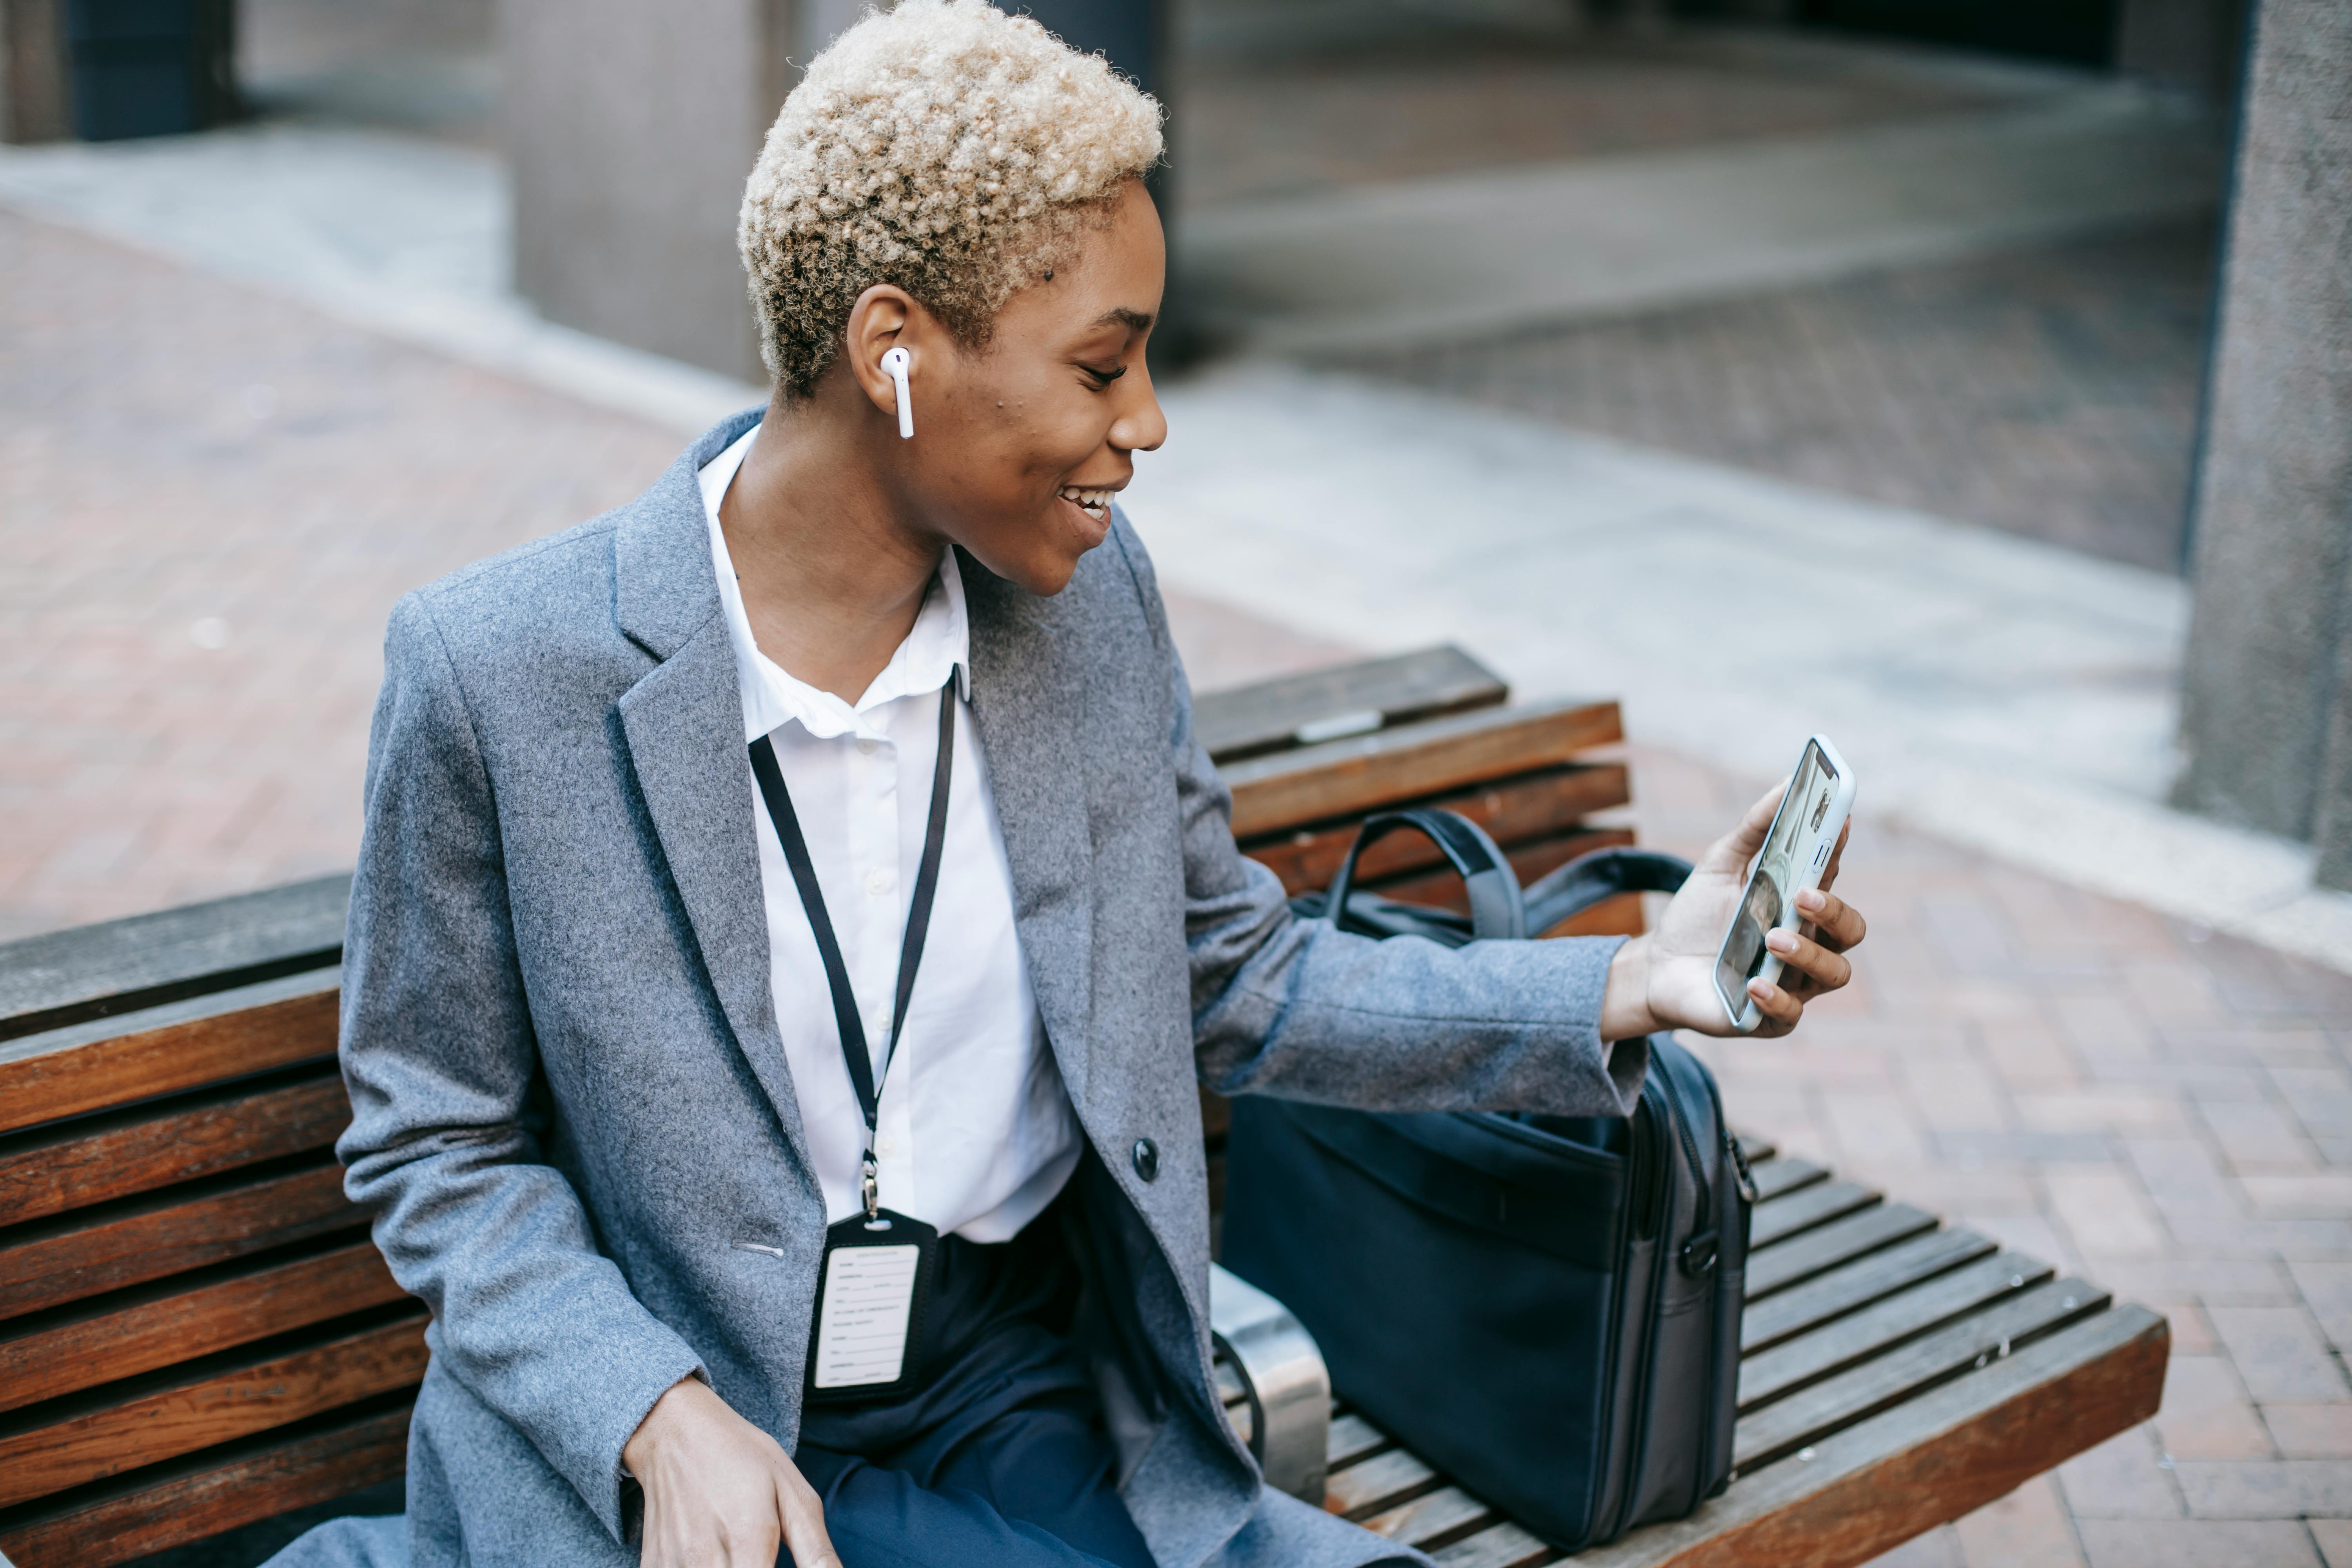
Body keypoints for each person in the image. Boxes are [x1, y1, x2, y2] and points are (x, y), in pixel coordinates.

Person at [294, 4, 1866, 1566]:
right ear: (892, 349)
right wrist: (650, 1406)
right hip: (693, 1418)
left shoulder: (1087, 609)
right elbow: (435, 1141)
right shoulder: (501, 674)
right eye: (1103, 364)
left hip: (1017, 1380)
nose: (1149, 422)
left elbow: (1233, 975)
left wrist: (1637, 981)